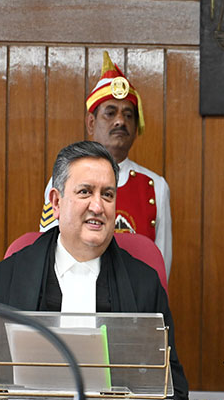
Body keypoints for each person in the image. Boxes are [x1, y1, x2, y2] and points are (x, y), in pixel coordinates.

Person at [0, 141, 188, 400]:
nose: (98, 207)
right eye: (85, 192)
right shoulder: (5, 279)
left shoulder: (144, 284)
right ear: (56, 202)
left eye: (107, 195)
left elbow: (173, 391)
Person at [39, 51, 172, 277]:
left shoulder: (155, 185)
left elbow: (161, 264)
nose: (120, 121)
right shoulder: (62, 178)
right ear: (91, 123)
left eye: (128, 115)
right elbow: (50, 248)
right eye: (110, 113)